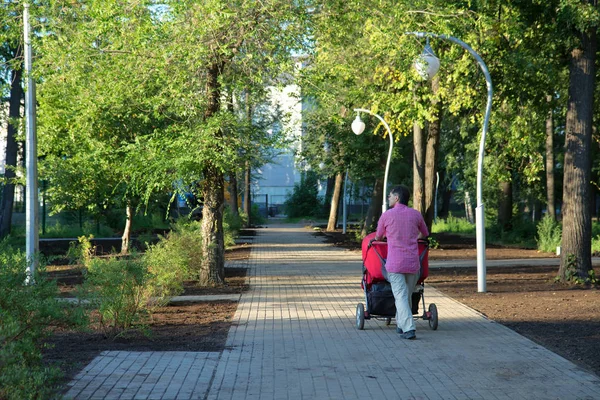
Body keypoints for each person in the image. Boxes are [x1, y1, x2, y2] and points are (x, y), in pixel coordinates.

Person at [375, 185, 429, 340]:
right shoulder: (415, 214)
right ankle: (400, 324)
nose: (388, 198)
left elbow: (378, 237)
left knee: (400, 296)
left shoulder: (387, 215)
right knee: (406, 295)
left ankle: (409, 328)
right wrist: (413, 238)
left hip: (395, 264)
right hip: (413, 264)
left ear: (397, 197)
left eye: (390, 196)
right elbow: (425, 234)